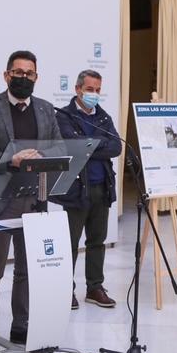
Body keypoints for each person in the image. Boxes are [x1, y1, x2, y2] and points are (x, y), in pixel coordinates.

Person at [0, 50, 62, 353]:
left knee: (27, 269)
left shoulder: (46, 110)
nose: (23, 78)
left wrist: (46, 157)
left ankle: (21, 326)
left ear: (36, 78)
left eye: (29, 73)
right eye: (17, 73)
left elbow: (59, 147)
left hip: (35, 199)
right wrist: (10, 159)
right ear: (6, 75)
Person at [52, 70, 120, 310]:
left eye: (98, 90)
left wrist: (90, 147)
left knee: (97, 241)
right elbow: (72, 147)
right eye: (90, 89)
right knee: (69, 243)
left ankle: (94, 287)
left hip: (102, 187)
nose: (94, 94)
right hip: (75, 189)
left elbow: (116, 147)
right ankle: (65, 290)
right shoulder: (63, 116)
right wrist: (94, 145)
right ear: (78, 89)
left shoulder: (103, 117)